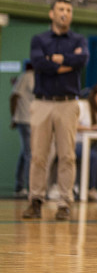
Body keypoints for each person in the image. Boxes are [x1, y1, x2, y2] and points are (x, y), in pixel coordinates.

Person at [23, 0, 89, 221]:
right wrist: (65, 64)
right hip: (42, 102)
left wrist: (59, 62)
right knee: (38, 155)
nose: (65, 13)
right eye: (61, 9)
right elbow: (40, 64)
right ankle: (35, 201)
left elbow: (82, 60)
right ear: (52, 13)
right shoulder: (39, 39)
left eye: (69, 10)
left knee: (67, 156)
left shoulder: (79, 39)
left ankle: (64, 204)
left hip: (68, 103)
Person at [10, 62, 35, 198]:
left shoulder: (41, 78)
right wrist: (13, 117)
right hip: (24, 120)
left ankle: (19, 186)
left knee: (24, 153)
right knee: (29, 154)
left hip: (34, 121)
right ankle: (31, 188)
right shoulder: (27, 76)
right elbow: (13, 97)